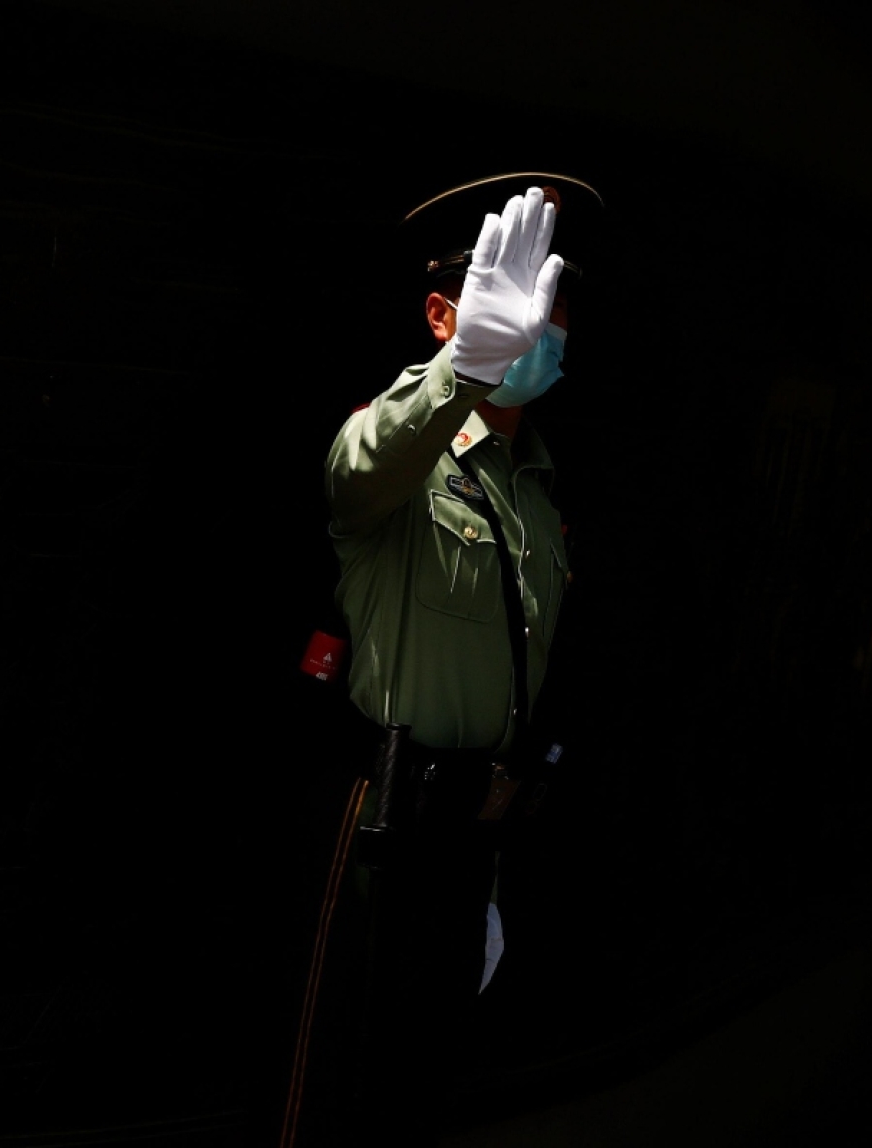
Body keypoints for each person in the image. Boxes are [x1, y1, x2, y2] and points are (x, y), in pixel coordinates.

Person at [321, 173, 603, 1145]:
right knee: (340, 1091)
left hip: (467, 844)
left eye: (554, 306)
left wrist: (482, 879)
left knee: (421, 1099)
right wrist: (466, 370)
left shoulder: (537, 487)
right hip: (379, 836)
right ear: (446, 310)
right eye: (516, 302)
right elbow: (360, 463)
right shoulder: (402, 453)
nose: (544, 326)